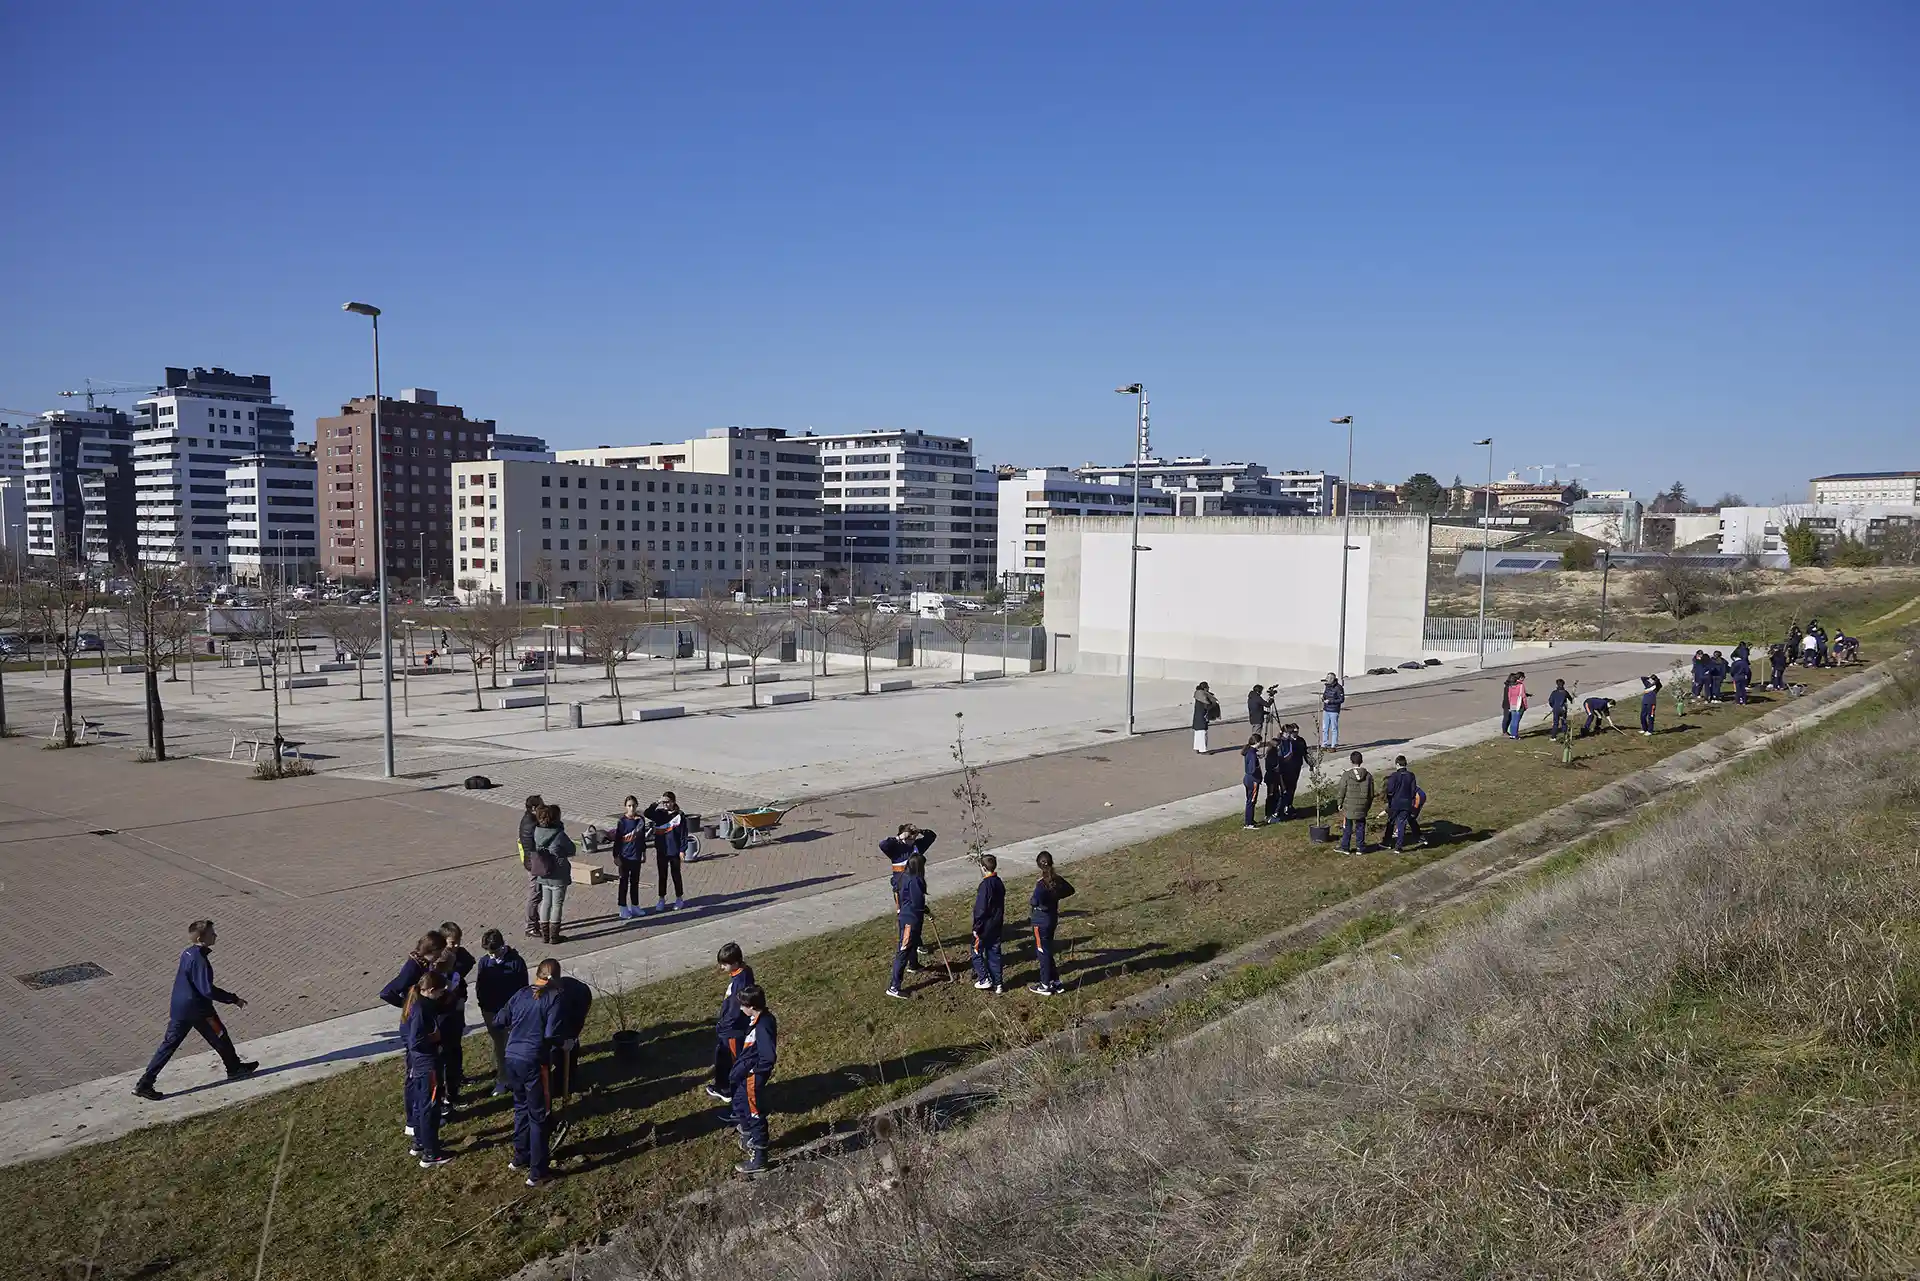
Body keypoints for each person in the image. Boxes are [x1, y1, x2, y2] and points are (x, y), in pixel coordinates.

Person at [133, 919, 257, 1100]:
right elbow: (206, 989)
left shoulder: (188, 953)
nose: (216, 936)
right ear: (201, 937)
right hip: (199, 1010)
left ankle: (145, 1083)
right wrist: (233, 999)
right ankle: (234, 1068)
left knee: (169, 1045)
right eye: (212, 933)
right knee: (220, 1034)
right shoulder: (199, 959)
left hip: (180, 1009)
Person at [492, 958, 562, 1187]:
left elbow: (500, 1020)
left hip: (511, 1058)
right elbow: (551, 1033)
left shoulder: (521, 993)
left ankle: (520, 1156)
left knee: (520, 1107)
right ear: (556, 978)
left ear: (537, 975)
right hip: (534, 1061)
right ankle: (538, 1171)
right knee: (538, 1115)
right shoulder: (553, 998)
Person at [401, 971, 453, 1168]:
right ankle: (431, 1154)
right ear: (430, 991)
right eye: (440, 992)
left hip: (418, 1063)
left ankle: (421, 1143)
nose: (442, 995)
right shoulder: (422, 1009)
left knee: (422, 1104)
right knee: (430, 1108)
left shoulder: (416, 1004)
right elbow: (417, 1040)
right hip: (427, 1063)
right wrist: (436, 1038)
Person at [729, 984, 778, 1176]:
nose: (741, 1009)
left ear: (752, 1005)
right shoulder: (756, 1019)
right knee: (740, 1103)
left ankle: (759, 1157)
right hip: (745, 1076)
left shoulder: (764, 1024)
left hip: (752, 1077)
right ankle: (749, 1135)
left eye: (743, 1006)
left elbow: (768, 1056)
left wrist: (753, 1071)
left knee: (755, 1113)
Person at [475, 928, 529, 1097]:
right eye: (489, 952)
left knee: (514, 1046)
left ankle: (517, 1078)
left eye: (495, 952)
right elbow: (480, 986)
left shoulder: (516, 962)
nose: (492, 955)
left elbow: (523, 988)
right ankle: (503, 1080)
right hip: (491, 1011)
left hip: (512, 1012)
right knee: (499, 1047)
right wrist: (484, 1006)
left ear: (502, 946)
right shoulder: (484, 962)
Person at [707, 942, 756, 1102]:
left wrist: (723, 1026)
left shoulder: (741, 983)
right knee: (722, 1056)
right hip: (728, 1028)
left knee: (733, 1061)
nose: (721, 967)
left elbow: (735, 1011)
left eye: (725, 964)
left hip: (733, 1030)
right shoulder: (741, 973)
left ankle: (733, 1093)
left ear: (735, 963)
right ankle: (722, 1086)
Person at [437, 921, 477, 1112]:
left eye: (458, 941)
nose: (456, 946)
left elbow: (469, 962)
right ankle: (447, 1091)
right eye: (452, 942)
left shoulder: (459, 956)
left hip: (457, 1009)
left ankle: (457, 1076)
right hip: (444, 1015)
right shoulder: (438, 962)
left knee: (456, 1047)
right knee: (446, 1053)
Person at [1027, 850, 1076, 997]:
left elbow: (1034, 901)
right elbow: (1070, 890)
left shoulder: (1041, 885)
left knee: (1042, 952)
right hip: (1052, 918)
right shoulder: (1057, 880)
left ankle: (1045, 984)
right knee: (1048, 949)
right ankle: (1055, 981)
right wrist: (1056, 896)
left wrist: (1039, 903)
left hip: (1040, 921)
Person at [527, 804, 575, 944]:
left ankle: (545, 935)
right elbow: (571, 849)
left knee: (546, 902)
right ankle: (554, 936)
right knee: (557, 904)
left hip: (543, 872)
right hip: (558, 873)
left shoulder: (537, 832)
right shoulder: (559, 835)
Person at [546, 966, 593, 1105]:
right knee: (556, 1048)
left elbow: (576, 1022)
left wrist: (571, 1038)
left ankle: (567, 1081)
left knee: (568, 1048)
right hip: (554, 1026)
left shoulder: (576, 994)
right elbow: (550, 1033)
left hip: (576, 1001)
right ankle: (559, 1082)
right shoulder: (546, 998)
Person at [886, 852, 931, 999]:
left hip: (905, 915)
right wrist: (925, 909)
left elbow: (896, 891)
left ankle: (914, 965)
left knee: (912, 943)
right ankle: (894, 986)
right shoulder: (916, 880)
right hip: (910, 920)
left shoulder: (902, 877)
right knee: (903, 950)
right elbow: (918, 903)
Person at [644, 791, 688, 913]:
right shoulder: (659, 814)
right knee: (662, 876)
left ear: (673, 802)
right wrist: (657, 802)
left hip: (674, 851)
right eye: (664, 802)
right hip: (662, 850)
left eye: (667, 802)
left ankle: (679, 898)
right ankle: (661, 899)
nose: (665, 805)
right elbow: (647, 813)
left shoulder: (679, 815)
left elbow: (684, 834)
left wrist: (682, 850)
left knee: (676, 875)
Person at [880, 823, 938, 909]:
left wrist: (920, 831)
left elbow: (931, 836)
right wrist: (899, 838)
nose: (911, 841)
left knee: (917, 909)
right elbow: (883, 844)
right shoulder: (895, 848)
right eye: (908, 839)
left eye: (913, 839)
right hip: (901, 888)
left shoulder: (917, 846)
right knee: (904, 913)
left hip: (915, 885)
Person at [971, 853, 1006, 993]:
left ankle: (984, 978)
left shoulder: (985, 886)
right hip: (997, 924)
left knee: (976, 951)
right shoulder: (999, 882)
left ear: (983, 868)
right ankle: (998, 983)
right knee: (994, 953)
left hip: (984, 926)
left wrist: (976, 927)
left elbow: (981, 908)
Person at [613, 795, 648, 921]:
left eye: (633, 805)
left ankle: (635, 906)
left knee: (635, 882)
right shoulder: (622, 822)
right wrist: (616, 856)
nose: (631, 808)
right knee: (623, 882)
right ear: (625, 807)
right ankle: (622, 907)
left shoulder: (641, 821)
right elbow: (617, 840)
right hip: (624, 857)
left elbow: (642, 838)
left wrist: (644, 852)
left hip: (636, 856)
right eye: (629, 806)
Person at [1381, 755, 1423, 852]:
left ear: (1397, 764)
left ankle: (1387, 842)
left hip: (1395, 803)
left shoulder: (1394, 776)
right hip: (1407, 803)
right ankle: (1399, 846)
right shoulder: (1411, 775)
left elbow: (1390, 790)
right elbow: (1413, 791)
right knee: (1401, 824)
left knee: (1391, 822)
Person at [519, 794, 546, 939]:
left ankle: (534, 922)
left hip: (531, 861)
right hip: (534, 863)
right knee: (535, 894)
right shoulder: (533, 825)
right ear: (534, 808)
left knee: (536, 893)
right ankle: (530, 926)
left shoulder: (527, 819)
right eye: (541, 806)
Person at [1336, 751, 1373, 854]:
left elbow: (1342, 790)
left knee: (1347, 826)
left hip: (1349, 807)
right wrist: (1367, 805)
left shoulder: (1347, 775)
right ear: (1361, 761)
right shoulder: (1368, 776)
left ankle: (1345, 847)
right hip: (1362, 806)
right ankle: (1360, 847)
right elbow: (1371, 793)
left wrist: (1339, 802)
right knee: (1360, 826)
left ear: (1351, 761)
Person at [1271, 723, 1304, 819]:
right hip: (1282, 771)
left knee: (1290, 790)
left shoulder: (1290, 742)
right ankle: (1277, 812)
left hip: (1291, 770)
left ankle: (1287, 807)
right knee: (1283, 792)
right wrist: (1287, 759)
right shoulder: (1280, 743)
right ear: (1284, 733)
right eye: (1289, 733)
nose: (1290, 735)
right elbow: (1280, 756)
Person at [1241, 733, 1263, 829]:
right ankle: (1248, 823)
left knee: (1249, 800)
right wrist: (1258, 776)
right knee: (1252, 801)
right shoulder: (1252, 754)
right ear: (1257, 742)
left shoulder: (1249, 751)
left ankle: (1250, 819)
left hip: (1247, 779)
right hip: (1253, 780)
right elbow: (1252, 769)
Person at [1192, 682, 1221, 753]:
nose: (1208, 689)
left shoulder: (1198, 694)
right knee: (1203, 733)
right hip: (1202, 717)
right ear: (1205, 688)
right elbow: (1207, 706)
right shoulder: (1203, 696)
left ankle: (1197, 747)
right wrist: (1214, 704)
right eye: (1207, 687)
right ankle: (1203, 749)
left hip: (1197, 717)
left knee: (1198, 733)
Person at [1319, 674, 1345, 749]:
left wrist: (1330, 701)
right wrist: (1323, 697)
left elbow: (1341, 699)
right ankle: (1324, 744)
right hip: (1326, 709)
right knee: (1325, 728)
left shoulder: (1338, 688)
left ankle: (1333, 745)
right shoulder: (1327, 686)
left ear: (1332, 679)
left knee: (1334, 728)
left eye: (1328, 678)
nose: (1326, 679)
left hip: (1334, 710)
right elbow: (1325, 694)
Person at [1502, 671, 1528, 739]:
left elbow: (1509, 695)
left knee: (1513, 720)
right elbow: (1523, 696)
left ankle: (1512, 734)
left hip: (1512, 704)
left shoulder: (1510, 685)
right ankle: (1514, 734)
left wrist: (1510, 704)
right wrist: (1525, 705)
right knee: (1516, 720)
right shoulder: (1520, 685)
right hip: (1518, 704)